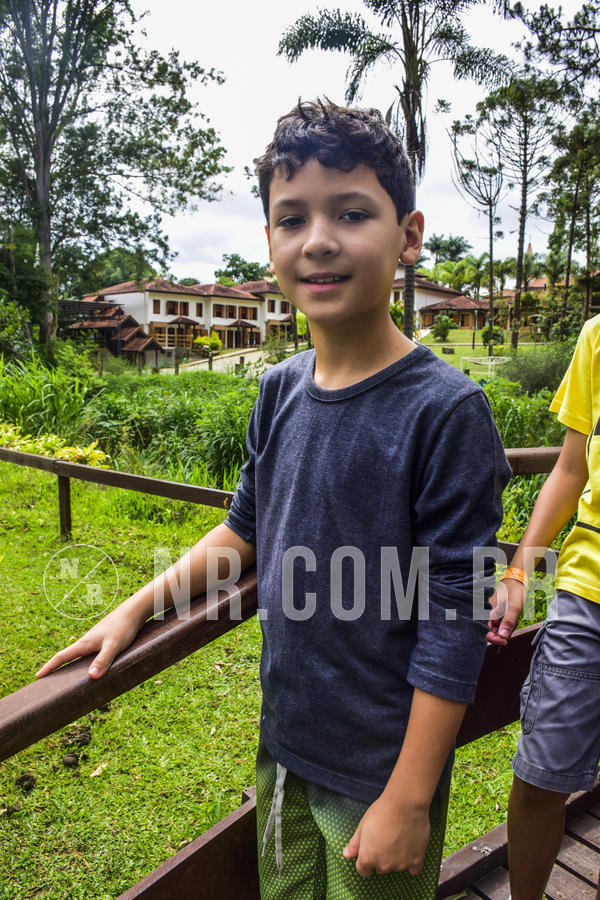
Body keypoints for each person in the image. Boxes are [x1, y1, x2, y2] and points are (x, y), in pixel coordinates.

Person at [37, 100, 511, 899]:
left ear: (410, 234)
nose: (319, 239)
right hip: (287, 742)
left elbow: (454, 614)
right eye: (292, 218)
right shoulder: (279, 391)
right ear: (270, 243)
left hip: (382, 772)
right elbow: (243, 531)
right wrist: (138, 606)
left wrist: (408, 796)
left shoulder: (446, 411)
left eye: (352, 212)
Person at [488, 315, 600, 900]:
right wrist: (518, 569)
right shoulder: (598, 337)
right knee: (538, 776)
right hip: (587, 591)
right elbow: (571, 466)